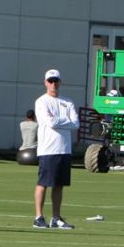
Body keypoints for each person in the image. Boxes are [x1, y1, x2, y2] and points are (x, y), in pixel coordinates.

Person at [34, 69, 79, 229]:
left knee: (59, 185)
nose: (53, 84)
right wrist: (64, 120)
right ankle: (39, 217)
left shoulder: (68, 102)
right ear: (46, 82)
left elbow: (76, 123)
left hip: (64, 149)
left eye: (56, 81)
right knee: (43, 183)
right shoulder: (42, 102)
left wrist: (59, 121)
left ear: (60, 82)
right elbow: (49, 122)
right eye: (50, 81)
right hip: (48, 149)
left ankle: (56, 217)